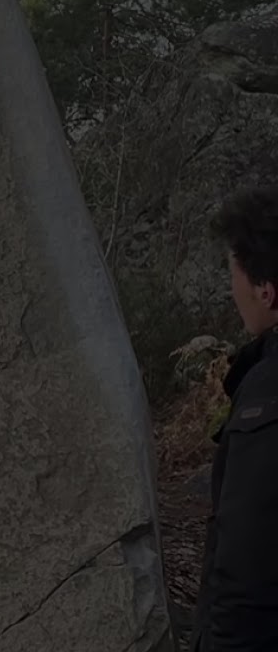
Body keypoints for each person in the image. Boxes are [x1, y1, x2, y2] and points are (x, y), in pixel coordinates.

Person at [191, 187, 278, 651]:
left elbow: (245, 566)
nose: (234, 292)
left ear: (266, 291)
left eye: (235, 276)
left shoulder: (267, 397)